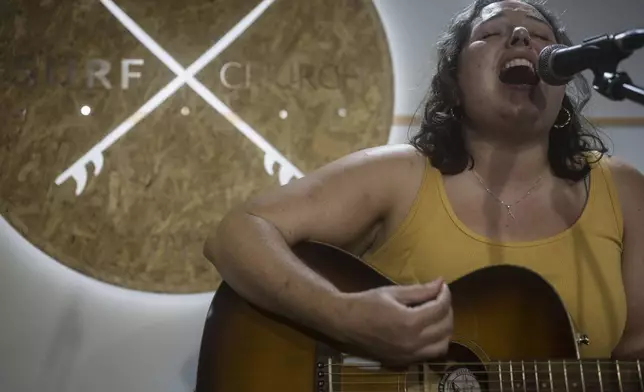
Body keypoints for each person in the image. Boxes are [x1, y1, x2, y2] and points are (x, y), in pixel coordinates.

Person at [204, 0, 644, 365]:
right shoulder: (399, 175)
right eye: (491, 33)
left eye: (541, 37)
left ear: (563, 79)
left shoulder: (621, 190)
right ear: (454, 81)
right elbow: (236, 232)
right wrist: (343, 317)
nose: (521, 38)